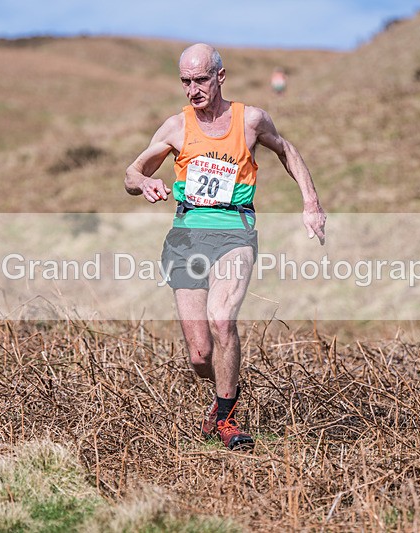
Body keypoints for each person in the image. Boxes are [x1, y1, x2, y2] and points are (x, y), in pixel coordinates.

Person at [124, 43, 326, 451]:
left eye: (200, 79)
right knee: (200, 354)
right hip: (185, 238)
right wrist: (144, 182)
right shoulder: (176, 127)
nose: (193, 89)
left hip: (235, 232)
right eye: (185, 81)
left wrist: (311, 203)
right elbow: (132, 172)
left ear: (220, 76)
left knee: (221, 320)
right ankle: (224, 388)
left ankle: (226, 420)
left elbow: (287, 150)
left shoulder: (250, 120)